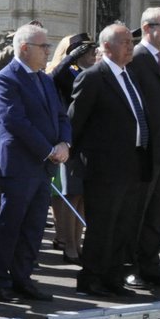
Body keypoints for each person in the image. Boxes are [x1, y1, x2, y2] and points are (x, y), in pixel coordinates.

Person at [0, 24, 69, 303]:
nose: (48, 51)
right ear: (24, 48)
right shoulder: (5, 79)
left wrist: (64, 144)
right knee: (11, 223)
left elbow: (61, 116)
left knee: (34, 225)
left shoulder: (44, 79)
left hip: (44, 165)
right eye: (43, 46)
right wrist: (48, 149)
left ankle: (23, 278)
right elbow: (14, 121)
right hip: (20, 164)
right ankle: (0, 282)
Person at [68, 23, 149, 297]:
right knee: (102, 225)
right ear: (106, 46)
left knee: (124, 224)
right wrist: (74, 159)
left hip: (133, 163)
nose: (130, 46)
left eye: (130, 42)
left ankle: (113, 276)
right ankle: (92, 278)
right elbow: (75, 122)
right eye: (125, 42)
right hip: (104, 167)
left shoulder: (130, 75)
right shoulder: (93, 77)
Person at [125, 6, 160, 291]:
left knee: (159, 214)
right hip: (144, 153)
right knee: (138, 213)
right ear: (147, 28)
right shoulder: (136, 58)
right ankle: (132, 267)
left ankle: (151, 265)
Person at [46, 33, 96, 262]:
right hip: (68, 140)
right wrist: (70, 57)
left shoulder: (88, 73)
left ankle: (78, 242)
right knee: (70, 194)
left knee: (83, 195)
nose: (91, 54)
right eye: (85, 50)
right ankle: (68, 244)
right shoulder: (66, 71)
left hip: (87, 141)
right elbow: (55, 77)